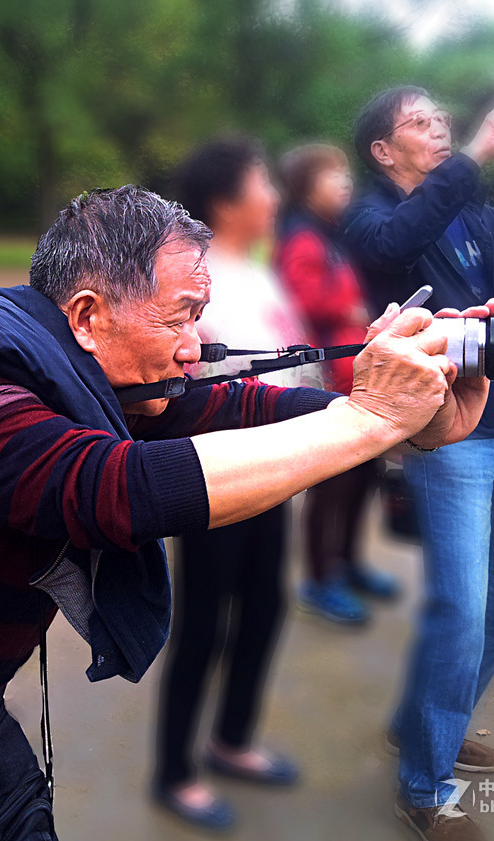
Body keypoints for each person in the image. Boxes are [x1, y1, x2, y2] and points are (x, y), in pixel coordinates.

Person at [0, 184, 493, 841]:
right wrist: (369, 423)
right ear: (90, 314)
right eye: (180, 317)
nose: (195, 347)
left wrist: (387, 411)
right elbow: (114, 490)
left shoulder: (88, 373)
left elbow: (234, 406)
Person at [343, 86, 494, 840]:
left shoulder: (480, 215)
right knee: (461, 609)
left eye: (444, 121)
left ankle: (424, 723)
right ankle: (425, 782)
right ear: (383, 152)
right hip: (447, 432)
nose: (443, 131)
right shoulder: (371, 217)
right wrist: (480, 153)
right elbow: (389, 248)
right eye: (421, 123)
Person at [150, 137, 316, 831]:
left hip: (274, 465)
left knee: (265, 607)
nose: (274, 196)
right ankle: (174, 771)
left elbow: (291, 362)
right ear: (226, 201)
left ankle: (231, 739)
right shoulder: (192, 279)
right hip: (215, 471)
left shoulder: (257, 270)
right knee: (203, 621)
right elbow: (183, 385)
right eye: (262, 184)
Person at [276, 143, 398, 627]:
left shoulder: (330, 235)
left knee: (362, 480)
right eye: (333, 176)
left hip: (356, 382)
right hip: (329, 385)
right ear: (306, 186)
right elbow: (299, 297)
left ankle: (348, 565)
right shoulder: (301, 237)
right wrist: (348, 309)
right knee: (331, 486)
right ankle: (320, 579)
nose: (345, 184)